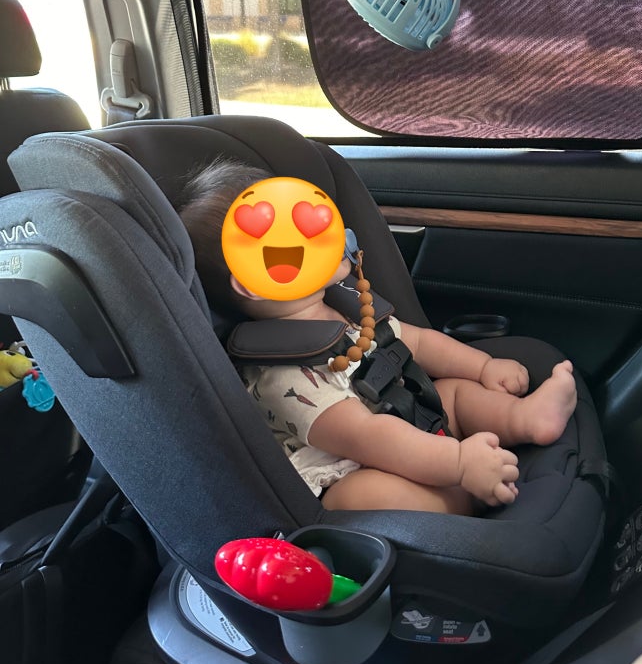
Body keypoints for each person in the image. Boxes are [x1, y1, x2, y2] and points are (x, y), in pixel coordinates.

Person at [179, 159, 577, 515]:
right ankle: (459, 500)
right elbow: (368, 437)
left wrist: (484, 367)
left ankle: (524, 418)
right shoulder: (281, 378)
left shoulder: (345, 304)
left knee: (452, 392)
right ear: (255, 282)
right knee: (362, 495)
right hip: (352, 464)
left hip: (406, 418)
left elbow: (417, 342)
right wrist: (457, 463)